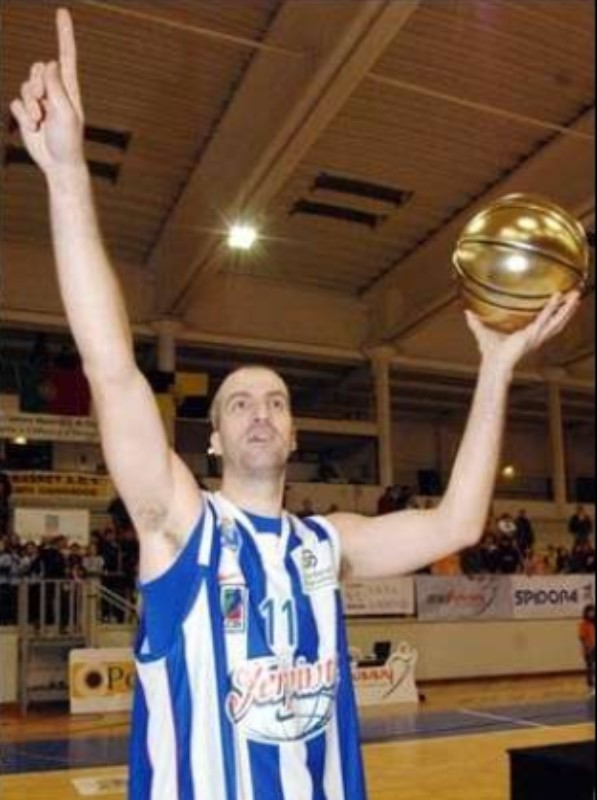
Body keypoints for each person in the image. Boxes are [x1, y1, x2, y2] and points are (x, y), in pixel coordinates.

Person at [10, 9, 580, 799]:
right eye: (239, 403)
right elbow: (111, 369)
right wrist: (69, 175)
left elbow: (456, 525)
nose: (259, 411)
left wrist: (494, 366)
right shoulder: (180, 526)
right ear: (212, 441)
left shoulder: (325, 546)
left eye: (276, 402)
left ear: (293, 435)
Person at [578, 604, 595, 696]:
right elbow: (582, 638)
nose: (592, 613)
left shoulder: (594, 623)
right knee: (590, 668)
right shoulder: (583, 624)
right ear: (586, 613)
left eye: (593, 611)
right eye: (590, 611)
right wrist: (587, 648)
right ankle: (591, 687)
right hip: (589, 649)